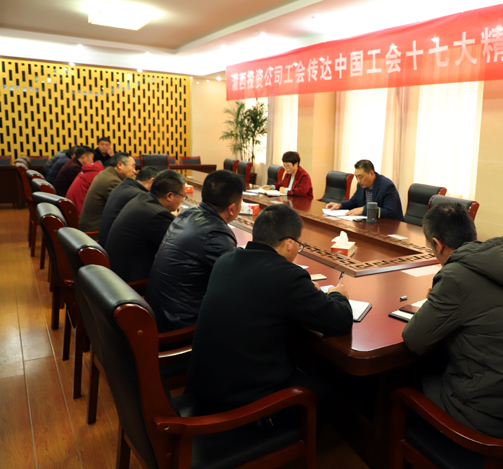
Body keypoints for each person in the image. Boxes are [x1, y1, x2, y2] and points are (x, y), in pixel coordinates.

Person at [188, 204, 353, 414]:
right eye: (299, 245)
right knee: (329, 390)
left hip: (203, 385)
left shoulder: (225, 261)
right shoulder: (288, 277)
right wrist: (337, 295)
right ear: (289, 243)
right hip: (241, 403)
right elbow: (340, 321)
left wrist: (304, 291)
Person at [402, 202, 503, 438]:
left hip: (484, 415)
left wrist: (437, 302)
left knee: (404, 376)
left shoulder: (455, 276)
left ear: (438, 244)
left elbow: (414, 340)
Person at [147, 170, 244, 332]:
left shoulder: (186, 214)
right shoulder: (216, 233)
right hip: (178, 326)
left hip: (158, 314)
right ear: (232, 208)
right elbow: (238, 283)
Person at [105, 170, 186, 283]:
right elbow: (179, 249)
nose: (182, 200)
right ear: (169, 196)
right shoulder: (157, 215)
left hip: (114, 274)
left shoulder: (142, 198)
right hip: (131, 284)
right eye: (183, 196)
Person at [98, 166, 159, 247]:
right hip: (114, 248)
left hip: (105, 243)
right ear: (152, 181)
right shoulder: (138, 195)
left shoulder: (123, 186)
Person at [325, 159, 403, 221]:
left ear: (371, 173)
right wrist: (340, 205)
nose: (359, 180)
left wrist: (364, 210)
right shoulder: (361, 185)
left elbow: (390, 212)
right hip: (369, 224)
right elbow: (354, 201)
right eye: (356, 177)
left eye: (361, 177)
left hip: (389, 227)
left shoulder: (386, 186)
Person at [78, 153, 136, 232]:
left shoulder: (106, 173)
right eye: (133, 166)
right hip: (94, 232)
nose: (134, 171)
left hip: (90, 227)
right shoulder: (112, 181)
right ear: (120, 165)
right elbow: (128, 206)